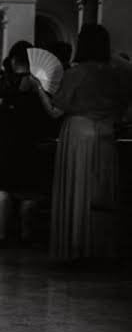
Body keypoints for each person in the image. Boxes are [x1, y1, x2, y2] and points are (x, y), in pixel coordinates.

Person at [50, 24, 132, 261]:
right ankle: (101, 248)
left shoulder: (76, 73)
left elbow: (56, 111)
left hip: (77, 132)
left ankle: (76, 245)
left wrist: (40, 91)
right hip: (106, 132)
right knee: (102, 189)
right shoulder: (118, 71)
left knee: (77, 187)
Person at [0, 41, 61, 247]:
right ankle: (27, 234)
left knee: (3, 189)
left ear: (13, 60)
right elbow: (52, 113)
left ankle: (0, 234)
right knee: (30, 190)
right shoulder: (42, 83)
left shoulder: (4, 83)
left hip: (6, 141)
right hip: (33, 141)